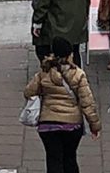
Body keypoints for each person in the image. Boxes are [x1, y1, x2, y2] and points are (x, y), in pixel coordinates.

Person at [23, 37, 101, 173]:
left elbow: (28, 92)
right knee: (70, 158)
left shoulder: (44, 73)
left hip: (48, 124)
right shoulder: (78, 74)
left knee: (53, 160)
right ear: (70, 54)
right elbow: (87, 103)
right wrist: (94, 126)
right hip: (72, 125)